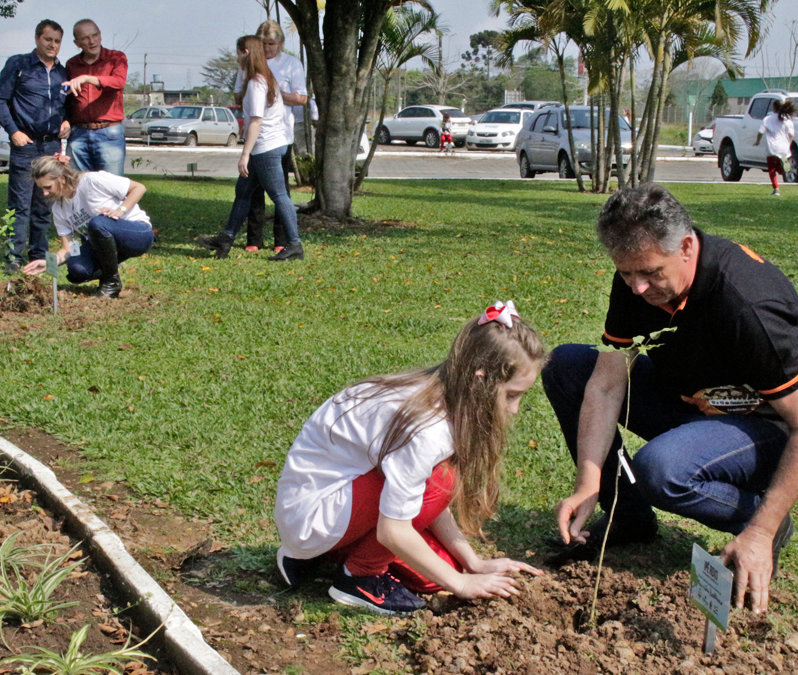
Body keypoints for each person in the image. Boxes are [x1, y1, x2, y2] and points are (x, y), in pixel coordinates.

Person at [542, 184, 798, 615]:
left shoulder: (747, 304)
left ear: (686, 246)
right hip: (691, 401)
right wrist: (589, 480)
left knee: (661, 469)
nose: (638, 288)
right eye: (626, 274)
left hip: (763, 428)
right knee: (567, 367)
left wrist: (760, 530)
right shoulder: (638, 277)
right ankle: (628, 516)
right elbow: (606, 384)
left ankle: (759, 516)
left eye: (651, 273)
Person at [274, 302, 546, 614]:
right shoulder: (429, 430)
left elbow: (421, 497)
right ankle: (359, 578)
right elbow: (394, 529)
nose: (514, 409)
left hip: (333, 505)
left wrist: (472, 563)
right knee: (443, 481)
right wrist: (461, 583)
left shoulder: (440, 393)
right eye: (511, 395)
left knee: (434, 576)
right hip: (312, 514)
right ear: (479, 379)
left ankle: (318, 555)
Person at [196, 36, 304, 262]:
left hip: (265, 147)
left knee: (279, 196)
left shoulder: (257, 82)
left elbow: (256, 120)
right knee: (243, 194)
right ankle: (225, 239)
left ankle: (294, 245)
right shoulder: (266, 78)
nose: (236, 58)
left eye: (238, 53)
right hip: (268, 145)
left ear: (245, 52)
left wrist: (245, 154)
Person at [0, 20, 71, 275]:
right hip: (26, 145)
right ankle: (14, 255)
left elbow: (69, 105)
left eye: (57, 41)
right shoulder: (19, 64)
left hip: (51, 145)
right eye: (48, 40)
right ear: (37, 38)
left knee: (44, 202)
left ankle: (38, 254)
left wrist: (68, 120)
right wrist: (13, 131)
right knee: (20, 202)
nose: (53, 45)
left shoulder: (63, 72)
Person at [22, 156, 153, 299]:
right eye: (42, 189)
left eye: (48, 187)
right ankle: (109, 270)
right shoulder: (59, 209)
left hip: (139, 234)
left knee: (97, 223)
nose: (45, 193)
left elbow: (139, 188)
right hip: (104, 243)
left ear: (62, 179)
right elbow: (68, 248)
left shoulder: (92, 181)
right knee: (76, 270)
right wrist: (50, 262)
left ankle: (111, 282)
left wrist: (120, 211)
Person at [233, 21, 308, 254]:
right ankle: (253, 239)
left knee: (279, 190)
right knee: (251, 190)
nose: (267, 49)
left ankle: (283, 240)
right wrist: (256, 94)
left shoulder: (291, 64)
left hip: (279, 135)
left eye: (272, 45)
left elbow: (302, 98)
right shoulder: (249, 66)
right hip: (258, 136)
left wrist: (275, 94)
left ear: (281, 44)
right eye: (263, 44)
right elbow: (237, 94)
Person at [63, 19, 128, 175]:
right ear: (77, 43)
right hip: (78, 134)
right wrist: (65, 120)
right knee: (77, 186)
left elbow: (118, 82)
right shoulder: (71, 64)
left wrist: (86, 78)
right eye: (85, 38)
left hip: (109, 132)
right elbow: (66, 98)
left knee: (112, 187)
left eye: (95, 35)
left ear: (100, 35)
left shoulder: (116, 58)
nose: (92, 41)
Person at [754, 99, 797, 196]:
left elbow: (760, 132)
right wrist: (789, 145)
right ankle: (782, 166)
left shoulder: (768, 119)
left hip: (772, 148)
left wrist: (757, 141)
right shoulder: (788, 120)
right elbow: (791, 135)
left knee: (772, 169)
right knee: (780, 169)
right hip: (784, 148)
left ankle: (776, 188)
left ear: (773, 107)